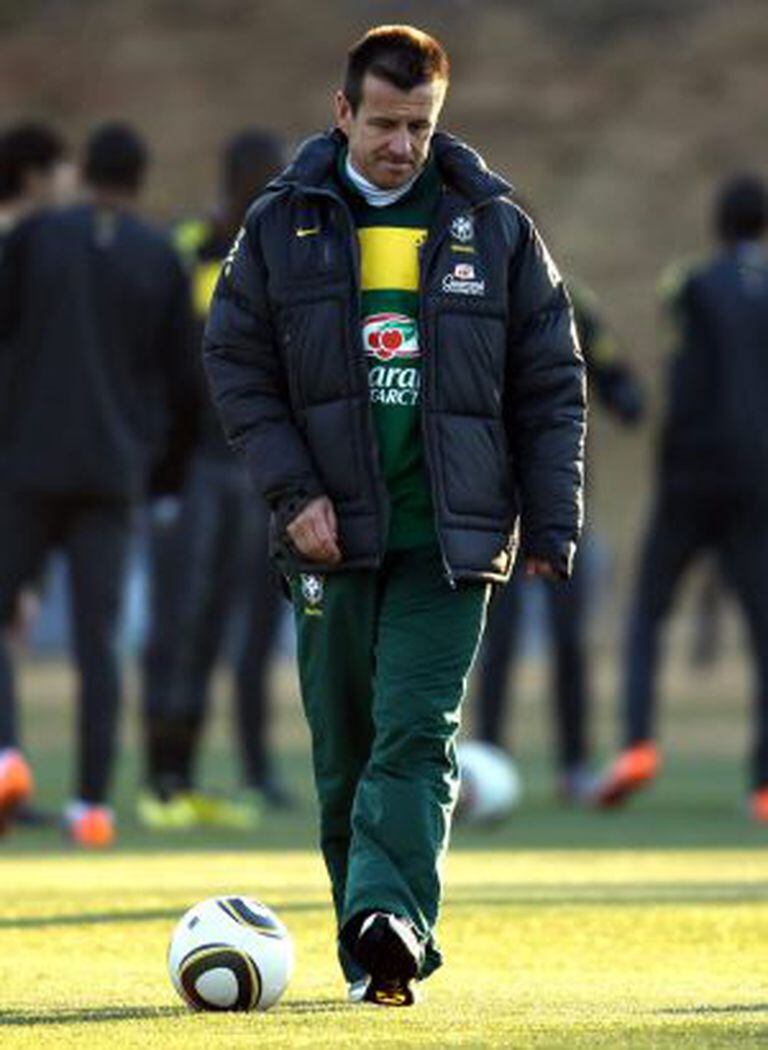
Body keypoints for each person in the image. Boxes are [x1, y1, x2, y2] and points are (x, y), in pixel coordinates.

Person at [204, 25, 585, 1005]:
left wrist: (552, 520)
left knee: (414, 736)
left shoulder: (494, 226)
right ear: (343, 113)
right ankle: (368, 948)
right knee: (345, 758)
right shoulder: (279, 224)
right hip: (327, 541)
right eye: (383, 124)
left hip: (450, 542)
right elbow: (237, 366)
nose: (402, 145)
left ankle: (393, 926)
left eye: (420, 125)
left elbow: (551, 381)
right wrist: (295, 494)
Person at [0, 123, 198, 846]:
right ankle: (91, 806)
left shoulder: (36, 237)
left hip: (26, 464)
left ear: (85, 171)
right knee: (99, 643)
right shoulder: (161, 256)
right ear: (141, 178)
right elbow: (184, 382)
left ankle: (6, 755)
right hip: (115, 476)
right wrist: (164, 477)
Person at [595, 174, 768, 817]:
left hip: (693, 475)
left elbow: (685, 378)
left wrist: (670, 470)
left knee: (648, 610)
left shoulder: (690, 285)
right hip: (757, 479)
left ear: (718, 224)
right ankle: (763, 783)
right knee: (764, 628)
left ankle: (638, 743)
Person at [139, 129, 293, 830]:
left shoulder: (281, 253)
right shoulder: (190, 249)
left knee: (258, 625)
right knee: (186, 623)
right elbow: (165, 359)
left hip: (258, 467)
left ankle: (256, 772)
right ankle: (167, 775)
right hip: (198, 465)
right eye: (264, 175)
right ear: (237, 179)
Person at [476, 278, 644, 801]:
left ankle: (574, 764)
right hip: (494, 503)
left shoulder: (567, 302)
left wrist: (622, 394)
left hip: (553, 506)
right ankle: (485, 762)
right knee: (495, 637)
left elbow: (618, 382)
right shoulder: (471, 297)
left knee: (568, 638)